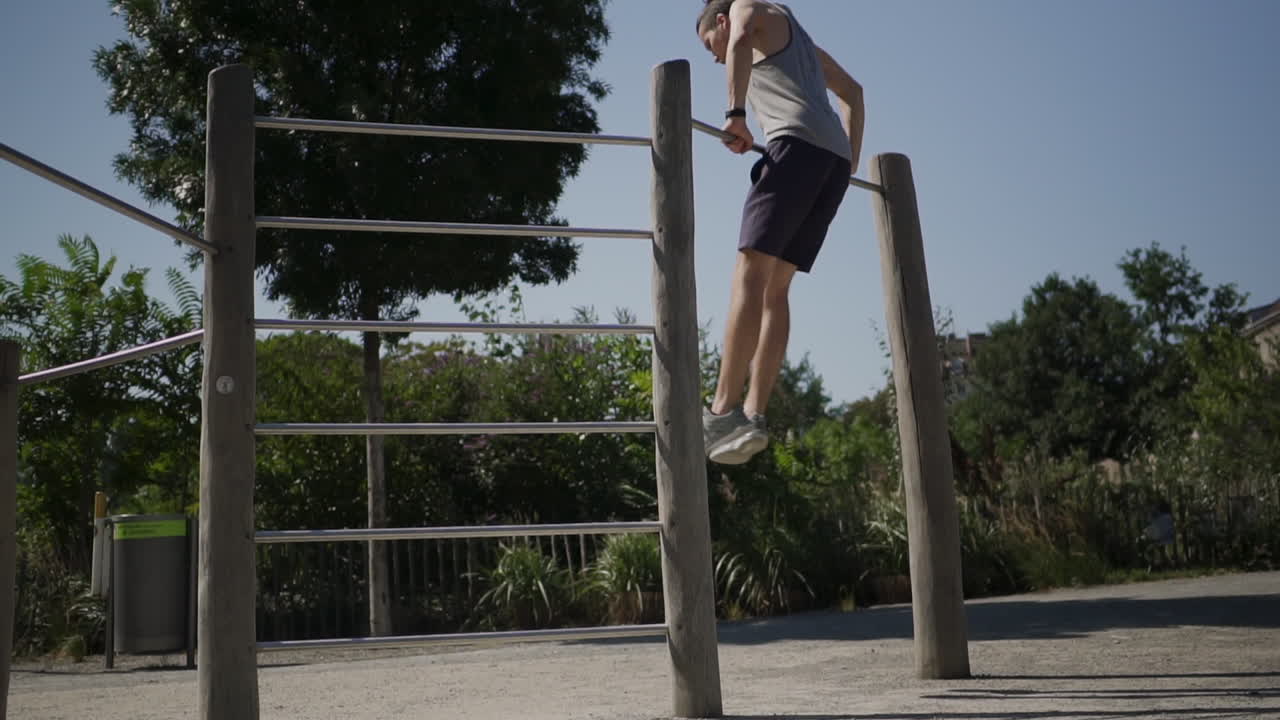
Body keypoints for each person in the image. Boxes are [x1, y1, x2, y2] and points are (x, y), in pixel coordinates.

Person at [695, 0, 865, 463]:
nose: (716, 58)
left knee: (748, 276)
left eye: (710, 46)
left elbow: (739, 38)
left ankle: (721, 411)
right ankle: (754, 415)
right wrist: (847, 163)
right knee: (777, 289)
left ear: (721, 21)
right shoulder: (802, 43)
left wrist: (735, 114)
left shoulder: (744, 7)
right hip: (830, 163)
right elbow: (853, 92)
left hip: (794, 149)